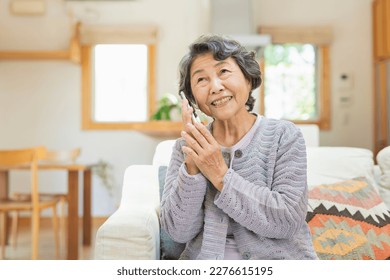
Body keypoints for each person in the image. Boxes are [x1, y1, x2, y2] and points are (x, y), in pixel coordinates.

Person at [160, 34, 318, 260]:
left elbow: (287, 220)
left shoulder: (284, 135)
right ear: (192, 98)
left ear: (248, 78)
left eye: (223, 72)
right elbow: (177, 231)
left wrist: (219, 173)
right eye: (201, 80)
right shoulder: (185, 148)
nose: (215, 87)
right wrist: (192, 169)